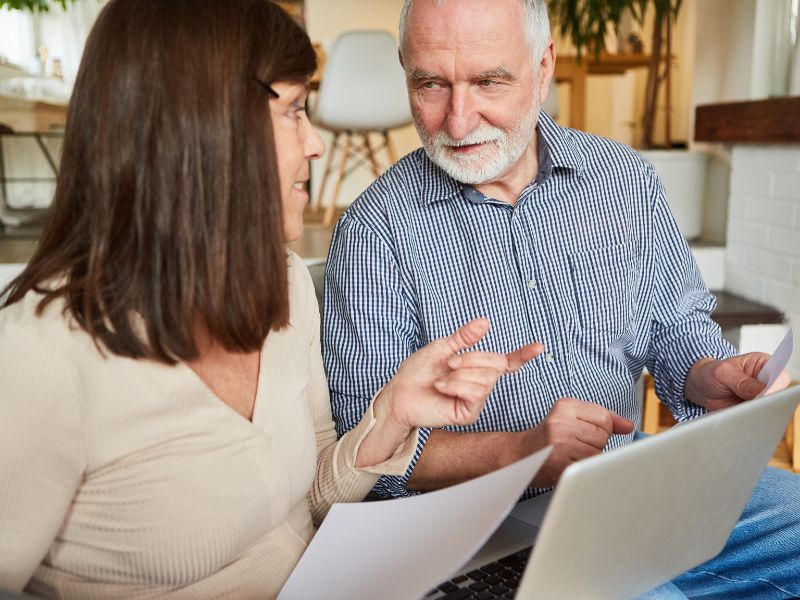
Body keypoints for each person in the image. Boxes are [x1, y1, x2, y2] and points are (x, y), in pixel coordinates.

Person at [0, 1, 542, 598]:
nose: (315, 144)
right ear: (203, 124)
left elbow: (305, 501)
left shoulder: (280, 282)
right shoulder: (40, 356)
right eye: (293, 110)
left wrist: (392, 416)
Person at [323, 0, 800, 597]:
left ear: (543, 66)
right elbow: (366, 450)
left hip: (622, 475)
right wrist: (522, 453)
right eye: (431, 85)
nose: (458, 122)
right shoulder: (374, 230)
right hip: (473, 519)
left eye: (489, 81)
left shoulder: (623, 180)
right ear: (405, 70)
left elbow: (673, 324)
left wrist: (708, 373)